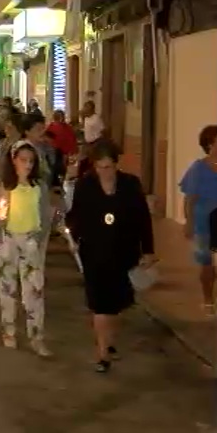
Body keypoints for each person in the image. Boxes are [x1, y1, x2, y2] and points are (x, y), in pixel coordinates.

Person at [66, 140, 156, 372]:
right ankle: (102, 353)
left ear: (117, 164)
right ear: (94, 166)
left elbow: (142, 220)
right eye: (100, 167)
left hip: (124, 252)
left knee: (117, 304)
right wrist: (74, 236)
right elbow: (75, 215)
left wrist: (148, 250)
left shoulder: (130, 185)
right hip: (94, 252)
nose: (105, 172)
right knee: (100, 304)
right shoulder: (85, 185)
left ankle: (109, 342)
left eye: (109, 167)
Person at [0, 140, 53, 357]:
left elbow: (45, 216)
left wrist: (39, 237)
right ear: (13, 161)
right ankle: (9, 331)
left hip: (30, 242)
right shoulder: (4, 186)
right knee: (7, 290)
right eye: (23, 160)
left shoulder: (38, 187)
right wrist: (0, 219)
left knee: (34, 290)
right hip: (8, 241)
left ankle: (37, 337)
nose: (27, 165)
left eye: (31, 161)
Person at [179, 124, 217, 314]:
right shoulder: (199, 168)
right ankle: (208, 299)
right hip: (205, 222)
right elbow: (190, 198)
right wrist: (189, 222)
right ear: (210, 144)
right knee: (208, 264)